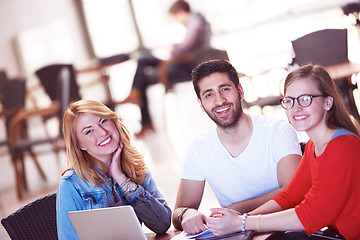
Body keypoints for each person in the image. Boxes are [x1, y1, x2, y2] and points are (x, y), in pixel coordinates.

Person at [207, 64, 360, 240]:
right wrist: (241, 220)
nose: (296, 108)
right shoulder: (313, 146)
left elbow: (310, 215)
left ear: (328, 102)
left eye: (305, 99)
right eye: (289, 100)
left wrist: (243, 222)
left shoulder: (342, 148)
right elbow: (290, 196)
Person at [172, 59, 302, 234]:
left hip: (287, 231)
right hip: (239, 235)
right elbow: (179, 212)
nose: (220, 101)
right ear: (200, 104)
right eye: (208, 95)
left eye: (225, 89)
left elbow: (294, 192)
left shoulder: (278, 131)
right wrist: (186, 214)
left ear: (240, 91)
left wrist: (235, 210)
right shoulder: (198, 148)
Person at [56, 100, 172, 239]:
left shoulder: (135, 165)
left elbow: (162, 224)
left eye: (103, 121)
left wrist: (122, 180)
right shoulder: (71, 184)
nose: (102, 132)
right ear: (80, 145)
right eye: (89, 131)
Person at [121, 0, 212, 138]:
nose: (177, 22)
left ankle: (145, 118)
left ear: (181, 13)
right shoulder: (196, 21)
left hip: (187, 67)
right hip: (180, 62)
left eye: (175, 18)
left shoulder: (196, 22)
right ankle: (135, 93)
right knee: (143, 58)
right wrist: (174, 50)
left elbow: (186, 48)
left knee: (144, 78)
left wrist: (173, 52)